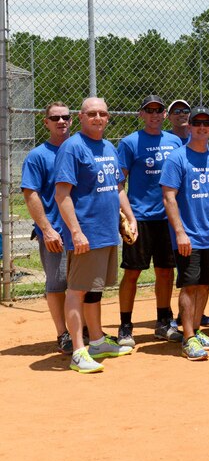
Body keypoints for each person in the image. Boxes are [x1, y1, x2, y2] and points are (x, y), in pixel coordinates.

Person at [55, 97, 136, 373]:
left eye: (102, 113)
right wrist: (76, 232)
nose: (97, 118)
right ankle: (78, 350)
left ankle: (98, 341)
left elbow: (117, 187)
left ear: (108, 117)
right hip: (86, 233)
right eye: (92, 113)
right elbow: (62, 195)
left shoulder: (108, 147)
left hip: (106, 232)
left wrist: (130, 216)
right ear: (81, 117)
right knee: (76, 291)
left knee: (95, 289)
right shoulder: (73, 148)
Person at [161, 108, 209, 360]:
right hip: (190, 236)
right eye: (197, 123)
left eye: (207, 123)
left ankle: (195, 330)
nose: (202, 127)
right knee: (190, 286)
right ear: (189, 126)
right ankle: (187, 338)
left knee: (206, 284)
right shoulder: (177, 158)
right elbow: (168, 197)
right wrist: (180, 233)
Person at [116, 95, 183, 346]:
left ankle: (163, 322)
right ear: (141, 114)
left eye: (159, 110)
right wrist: (128, 216)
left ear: (165, 114)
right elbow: (118, 182)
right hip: (140, 218)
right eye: (149, 110)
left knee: (166, 272)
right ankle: (125, 326)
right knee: (132, 272)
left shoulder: (175, 141)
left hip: (166, 217)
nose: (154, 114)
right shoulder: (130, 142)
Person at [21, 102, 76, 353]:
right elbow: (30, 194)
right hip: (56, 231)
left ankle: (81, 329)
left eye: (65, 117)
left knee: (82, 284)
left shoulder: (78, 149)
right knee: (57, 284)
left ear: (72, 120)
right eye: (55, 118)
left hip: (82, 231)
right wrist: (46, 229)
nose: (61, 121)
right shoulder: (38, 156)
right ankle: (62, 334)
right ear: (46, 123)